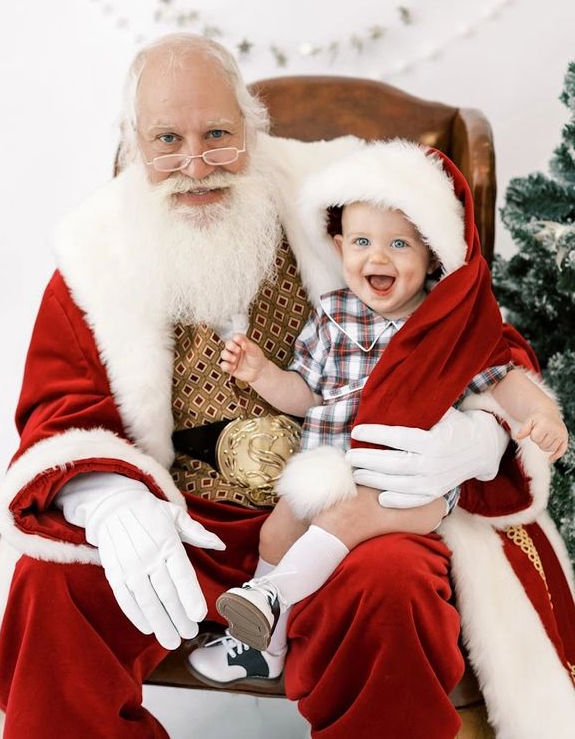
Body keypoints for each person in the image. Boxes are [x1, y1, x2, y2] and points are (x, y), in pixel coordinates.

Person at [0, 33, 572, 739]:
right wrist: (109, 501)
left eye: (217, 134)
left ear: (251, 126)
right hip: (180, 518)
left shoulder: (341, 206)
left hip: (336, 504)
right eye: (167, 140)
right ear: (134, 144)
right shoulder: (96, 254)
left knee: (393, 583)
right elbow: (60, 406)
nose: (196, 164)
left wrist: (481, 436)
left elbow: (468, 319)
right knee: (52, 586)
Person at [195, 140, 569, 670]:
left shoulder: (446, 323)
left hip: (411, 483)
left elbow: (503, 375)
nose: (377, 257)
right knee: (277, 528)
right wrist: (263, 375)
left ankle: (273, 593)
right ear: (339, 246)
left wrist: (542, 413)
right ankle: (264, 648)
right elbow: (306, 395)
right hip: (331, 466)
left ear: (430, 253)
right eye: (362, 242)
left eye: (398, 244)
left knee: (349, 514)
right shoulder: (332, 316)